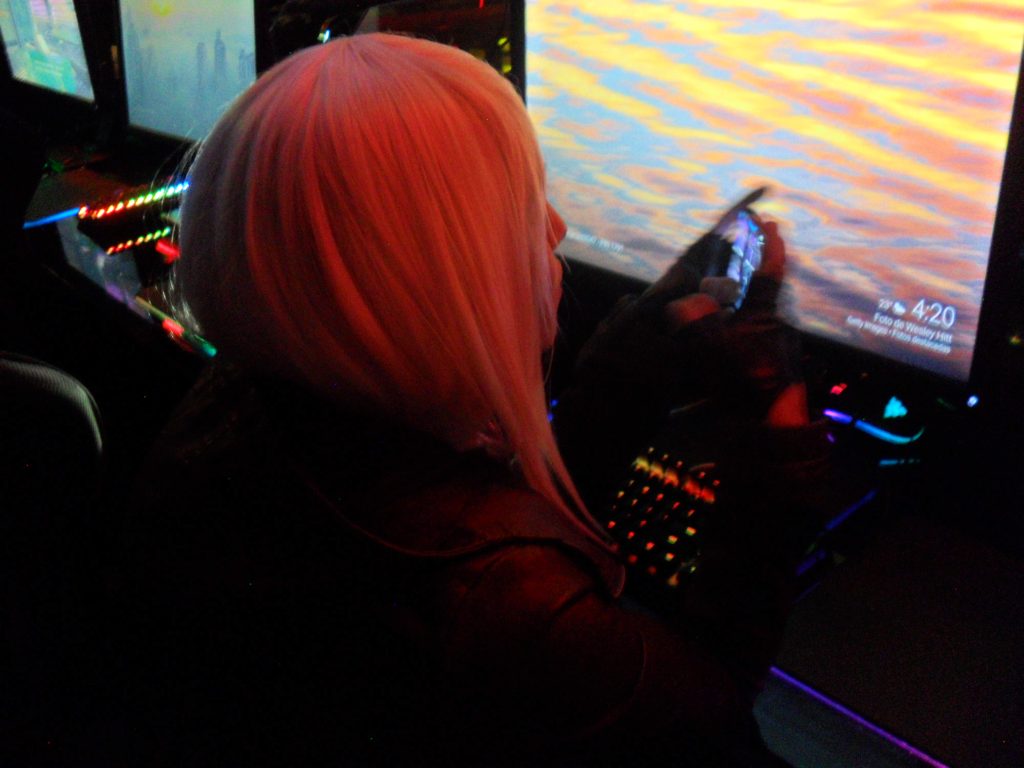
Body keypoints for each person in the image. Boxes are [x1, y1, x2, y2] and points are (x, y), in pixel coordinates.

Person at [121, 33, 829, 767]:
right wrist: (776, 447)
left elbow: (485, 517)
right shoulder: (507, 610)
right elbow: (711, 718)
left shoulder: (237, 404)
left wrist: (628, 367)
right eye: (522, 207)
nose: (557, 228)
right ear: (434, 283)